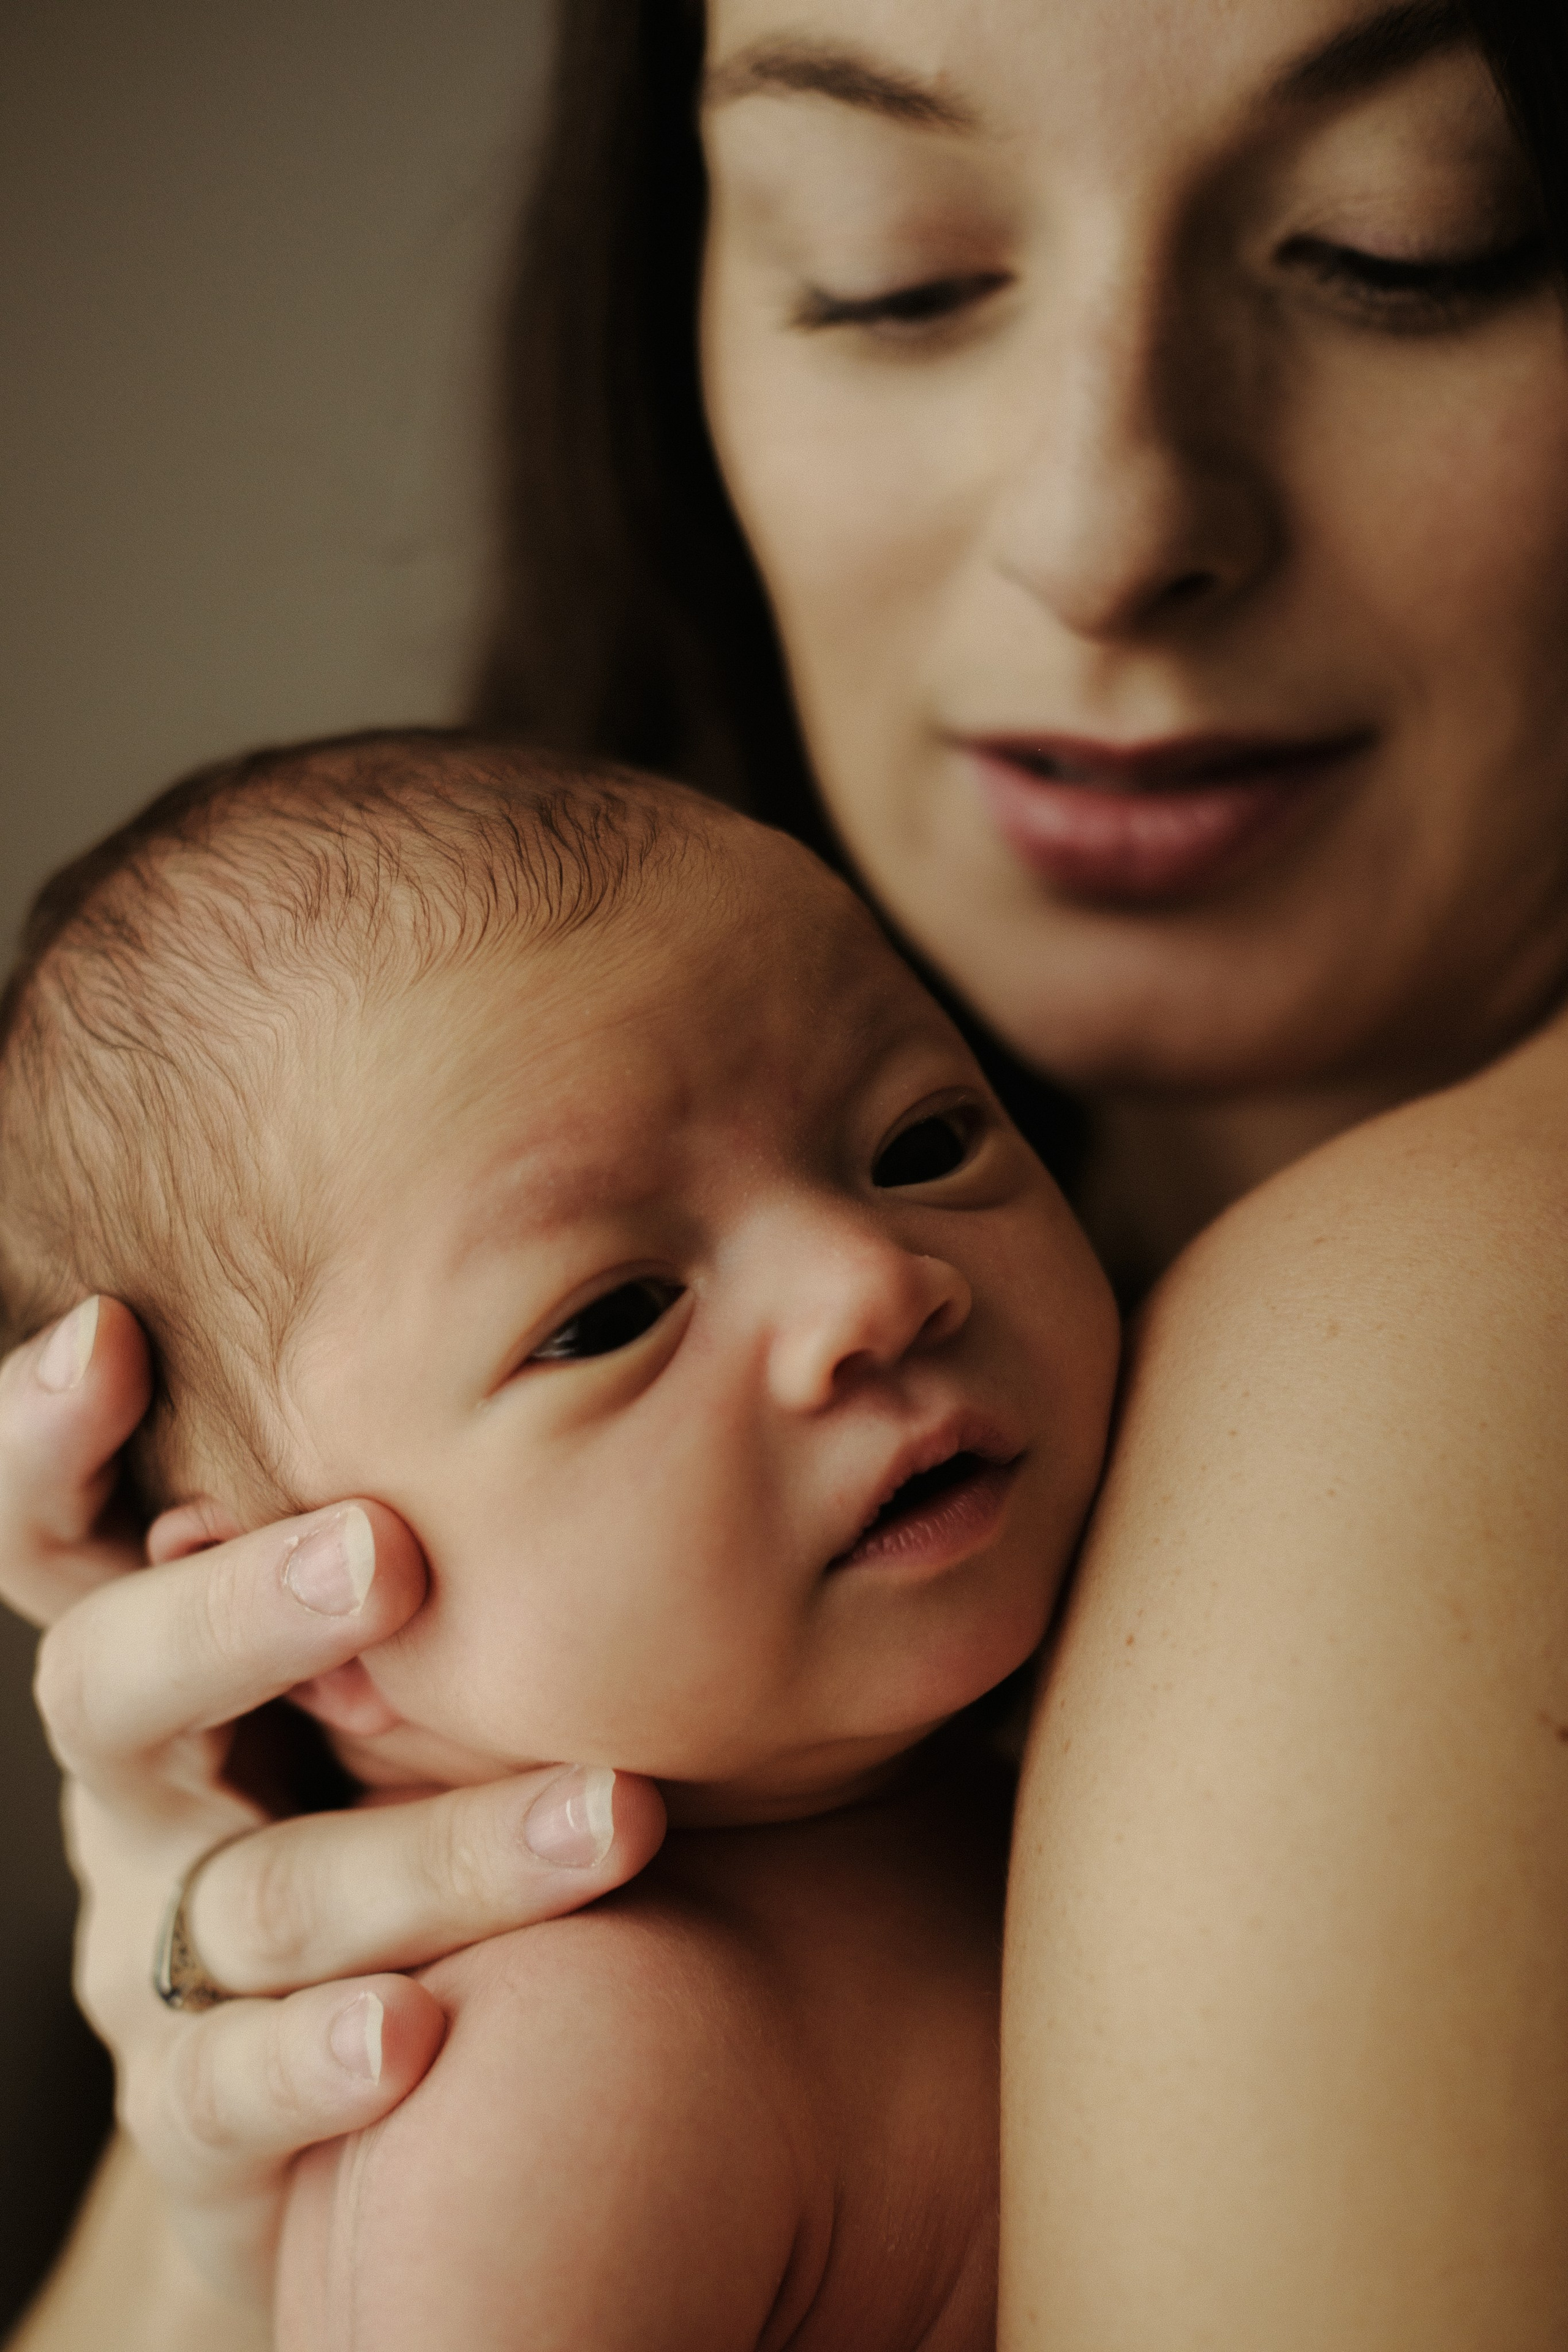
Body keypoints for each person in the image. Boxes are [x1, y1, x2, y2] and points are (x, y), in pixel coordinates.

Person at [6, 0, 1568, 2345]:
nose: (1104, 525)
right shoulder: (547, 2051)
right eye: (895, 274)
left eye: (1406, 249)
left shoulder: (1418, 1347)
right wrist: (192, 2160)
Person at [2, 731, 1116, 2348]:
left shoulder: (962, 1788)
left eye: (925, 1144)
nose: (875, 1288)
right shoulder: (574, 2072)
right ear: (303, 1620)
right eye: (616, 1316)